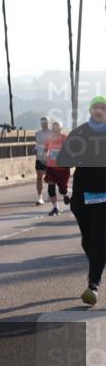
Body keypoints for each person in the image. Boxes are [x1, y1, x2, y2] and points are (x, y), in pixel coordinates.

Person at [56, 96, 106, 306]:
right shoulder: (80, 133)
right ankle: (98, 262)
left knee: (99, 238)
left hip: (104, 196)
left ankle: (92, 285)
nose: (99, 111)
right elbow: (62, 161)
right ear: (90, 110)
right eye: (96, 107)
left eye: (103, 108)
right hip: (82, 196)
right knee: (88, 240)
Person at [44, 121, 71, 217]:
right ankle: (56, 208)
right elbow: (46, 149)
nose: (55, 130)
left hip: (62, 168)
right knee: (50, 188)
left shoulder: (64, 138)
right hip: (51, 167)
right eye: (54, 128)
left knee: (62, 189)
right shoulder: (50, 138)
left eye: (57, 128)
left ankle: (65, 194)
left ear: (60, 129)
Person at [34, 116, 51, 205]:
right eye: (42, 123)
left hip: (51, 158)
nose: (44, 124)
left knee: (51, 177)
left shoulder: (53, 133)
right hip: (40, 157)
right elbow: (37, 144)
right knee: (39, 177)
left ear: (49, 123)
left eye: (46, 122)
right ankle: (40, 197)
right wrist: (36, 150)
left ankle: (50, 193)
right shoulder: (37, 133)